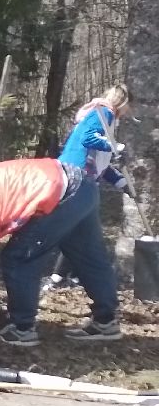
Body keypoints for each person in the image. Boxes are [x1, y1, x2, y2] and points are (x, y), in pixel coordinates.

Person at [0, 158, 121, 344]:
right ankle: (106, 320)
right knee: (88, 255)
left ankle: (22, 328)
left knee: (18, 258)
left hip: (59, 192)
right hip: (81, 183)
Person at [48, 83, 132, 290]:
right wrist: (116, 147)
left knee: (83, 230)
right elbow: (88, 139)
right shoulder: (104, 113)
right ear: (124, 103)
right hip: (77, 176)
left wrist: (123, 183)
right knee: (81, 231)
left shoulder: (106, 119)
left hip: (82, 177)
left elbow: (102, 164)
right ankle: (61, 278)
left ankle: (65, 278)